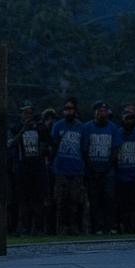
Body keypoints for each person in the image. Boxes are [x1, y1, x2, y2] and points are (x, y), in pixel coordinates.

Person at [8, 101, 50, 235]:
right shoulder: (16, 128)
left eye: (30, 113)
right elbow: (10, 143)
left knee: (38, 200)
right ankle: (25, 228)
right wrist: (23, 130)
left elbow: (48, 142)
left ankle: (38, 228)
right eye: (25, 112)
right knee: (23, 200)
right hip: (23, 168)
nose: (28, 115)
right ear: (21, 114)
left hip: (37, 168)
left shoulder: (40, 128)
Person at [82, 100, 123, 235]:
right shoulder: (87, 127)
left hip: (108, 171)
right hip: (92, 170)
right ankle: (97, 227)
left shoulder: (113, 128)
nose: (102, 113)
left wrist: (107, 167)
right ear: (94, 113)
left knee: (110, 198)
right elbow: (84, 150)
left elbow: (116, 149)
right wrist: (91, 168)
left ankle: (111, 226)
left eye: (105, 111)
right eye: (100, 111)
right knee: (94, 199)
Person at [50, 98, 86, 236]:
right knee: (61, 201)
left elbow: (84, 148)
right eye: (66, 108)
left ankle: (75, 227)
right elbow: (53, 145)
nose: (68, 111)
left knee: (75, 201)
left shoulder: (81, 127)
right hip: (60, 169)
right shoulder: (58, 126)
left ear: (75, 110)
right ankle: (61, 228)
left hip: (76, 169)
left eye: (71, 108)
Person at [116, 104, 135, 234]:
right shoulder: (117, 133)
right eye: (127, 118)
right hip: (120, 176)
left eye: (132, 118)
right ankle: (121, 229)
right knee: (121, 206)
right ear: (122, 119)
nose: (130, 121)